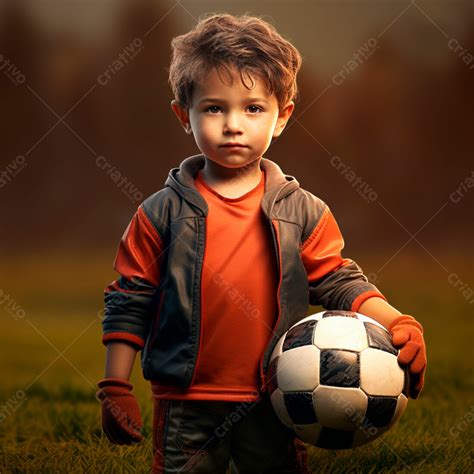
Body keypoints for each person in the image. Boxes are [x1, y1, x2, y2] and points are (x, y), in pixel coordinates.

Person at [95, 12, 427, 474]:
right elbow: (130, 298)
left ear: (283, 116)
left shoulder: (304, 211)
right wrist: (115, 386)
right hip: (185, 401)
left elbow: (337, 280)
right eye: (214, 107)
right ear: (182, 114)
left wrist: (397, 321)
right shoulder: (159, 214)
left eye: (253, 108)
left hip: (280, 395)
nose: (234, 124)